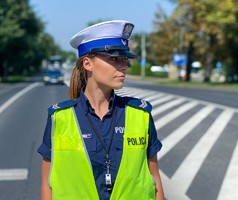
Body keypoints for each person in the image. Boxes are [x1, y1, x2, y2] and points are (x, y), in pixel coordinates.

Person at [37, 20, 164, 200]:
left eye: (125, 59)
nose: (124, 66)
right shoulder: (59, 118)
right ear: (87, 63)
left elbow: (155, 180)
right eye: (114, 58)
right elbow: (46, 184)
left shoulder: (140, 114)